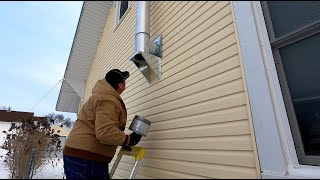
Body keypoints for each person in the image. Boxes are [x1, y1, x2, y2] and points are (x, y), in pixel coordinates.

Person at [63, 69, 142, 179]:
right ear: (120, 85)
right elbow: (105, 132)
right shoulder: (108, 100)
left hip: (80, 155)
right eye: (124, 81)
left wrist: (122, 139)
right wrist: (128, 140)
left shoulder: (100, 96)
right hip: (87, 159)